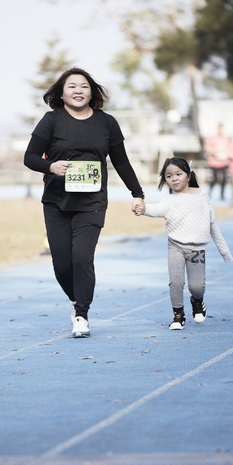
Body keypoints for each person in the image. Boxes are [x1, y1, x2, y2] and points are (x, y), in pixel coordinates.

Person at [24, 67, 145, 337]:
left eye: (84, 86)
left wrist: (137, 193)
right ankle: (77, 298)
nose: (78, 90)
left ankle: (81, 313)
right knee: (62, 265)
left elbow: (121, 161)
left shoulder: (107, 123)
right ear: (61, 93)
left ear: (92, 92)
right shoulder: (51, 120)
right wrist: (50, 166)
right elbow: (30, 157)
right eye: (71, 86)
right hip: (56, 202)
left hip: (92, 202)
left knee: (82, 258)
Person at [134, 157, 233, 330]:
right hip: (176, 246)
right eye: (169, 176)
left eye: (178, 174)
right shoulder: (170, 201)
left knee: (197, 286)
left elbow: (213, 225)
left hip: (197, 248)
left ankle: (197, 300)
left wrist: (224, 252)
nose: (174, 178)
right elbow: (156, 209)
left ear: (188, 175)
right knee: (176, 282)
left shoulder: (202, 198)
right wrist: (142, 209)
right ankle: (178, 316)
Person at [204, 122, 231, 201]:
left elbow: (229, 149)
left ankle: (222, 194)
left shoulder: (226, 138)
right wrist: (216, 151)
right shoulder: (212, 138)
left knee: (224, 179)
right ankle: (210, 193)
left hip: (224, 162)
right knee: (215, 179)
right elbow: (207, 148)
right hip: (214, 162)